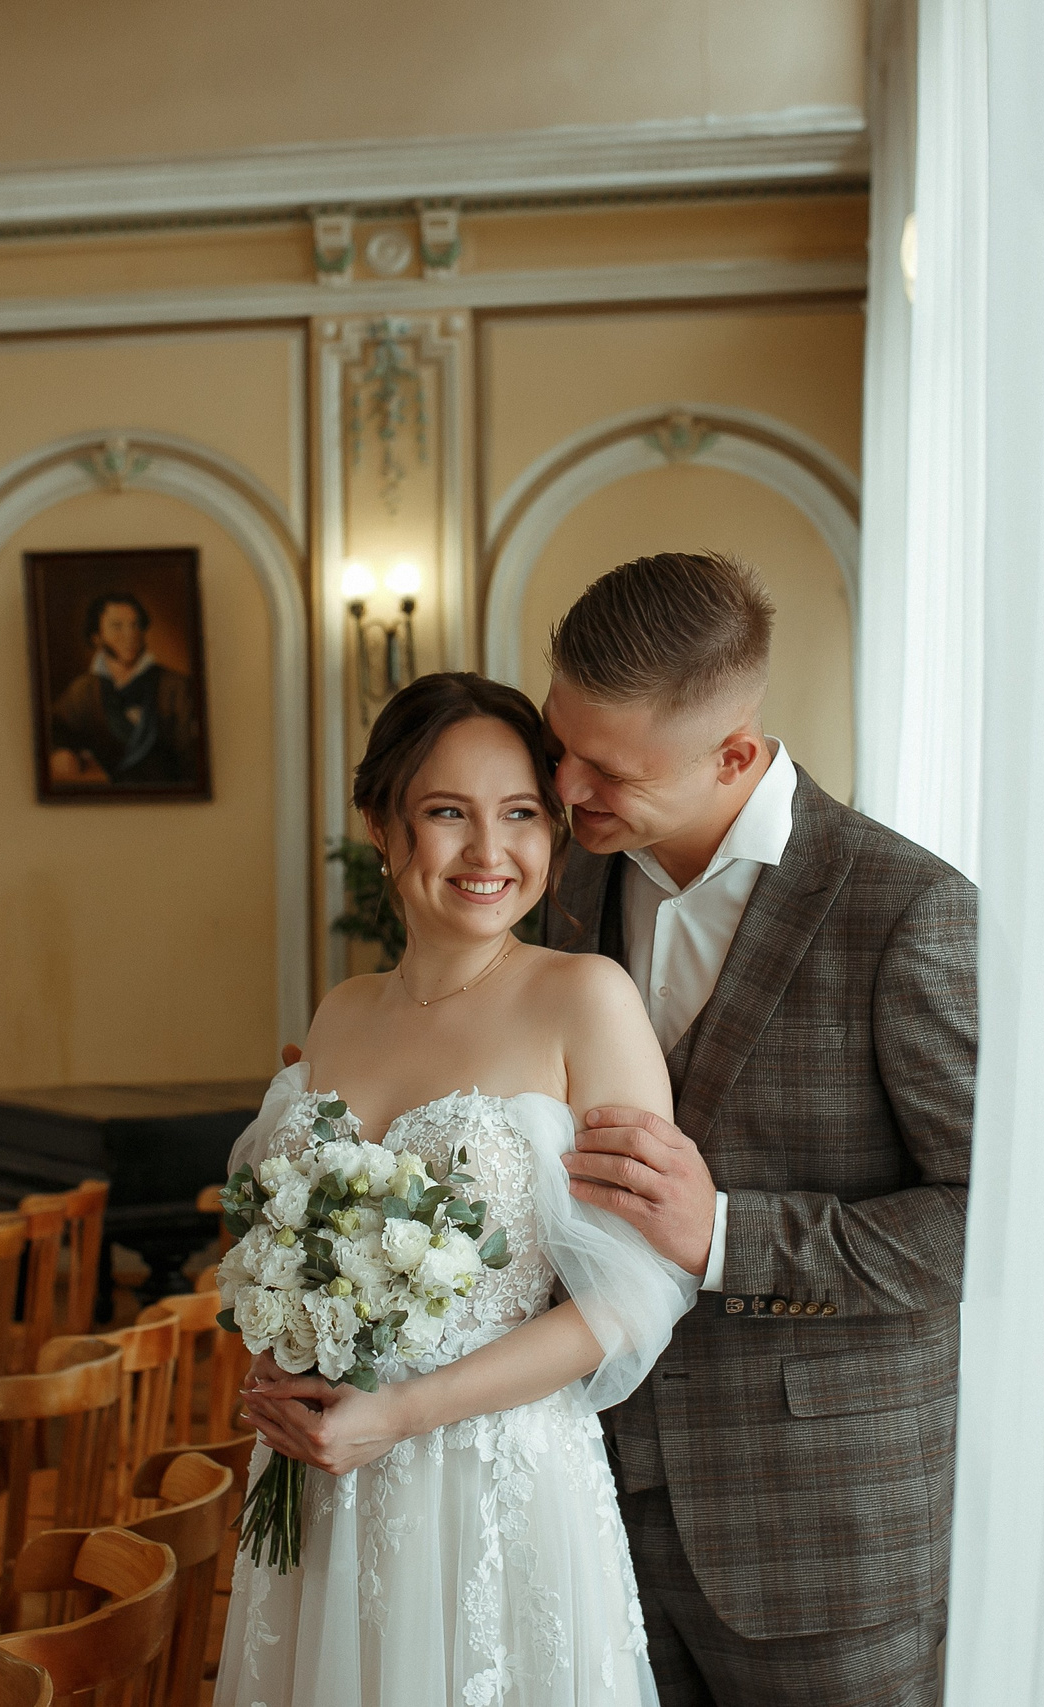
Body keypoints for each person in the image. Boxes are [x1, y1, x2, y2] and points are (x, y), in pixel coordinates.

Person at [541, 551, 976, 1707]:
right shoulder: (562, 884)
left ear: (734, 755)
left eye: (608, 768)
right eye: (559, 741)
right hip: (588, 1507)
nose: (565, 786)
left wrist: (727, 1236)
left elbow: (995, 1221)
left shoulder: (908, 911)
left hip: (824, 1538)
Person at [221, 671, 700, 1707]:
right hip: (324, 1480)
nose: (490, 852)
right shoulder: (342, 1010)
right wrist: (282, 1346)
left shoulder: (585, 1000)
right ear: (381, 826)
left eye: (520, 813)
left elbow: (634, 1295)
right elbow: (283, 1235)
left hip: (493, 1486)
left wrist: (402, 1413)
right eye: (448, 812)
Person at [46, 590, 202, 786]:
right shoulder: (83, 690)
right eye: (117, 626)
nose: (130, 635)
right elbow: (53, 729)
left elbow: (193, 760)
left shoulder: (176, 686)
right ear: (97, 637)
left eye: (135, 625)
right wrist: (61, 751)